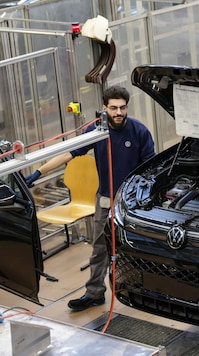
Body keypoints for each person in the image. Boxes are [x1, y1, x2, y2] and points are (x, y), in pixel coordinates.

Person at [25, 86, 156, 311]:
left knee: (136, 248)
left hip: (131, 203)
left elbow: (151, 169)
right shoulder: (97, 132)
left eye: (122, 108)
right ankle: (95, 293)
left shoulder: (139, 131)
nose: (118, 112)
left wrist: (134, 198)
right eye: (113, 108)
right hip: (104, 201)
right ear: (104, 108)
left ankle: (143, 293)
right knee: (99, 249)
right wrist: (38, 173)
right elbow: (68, 153)